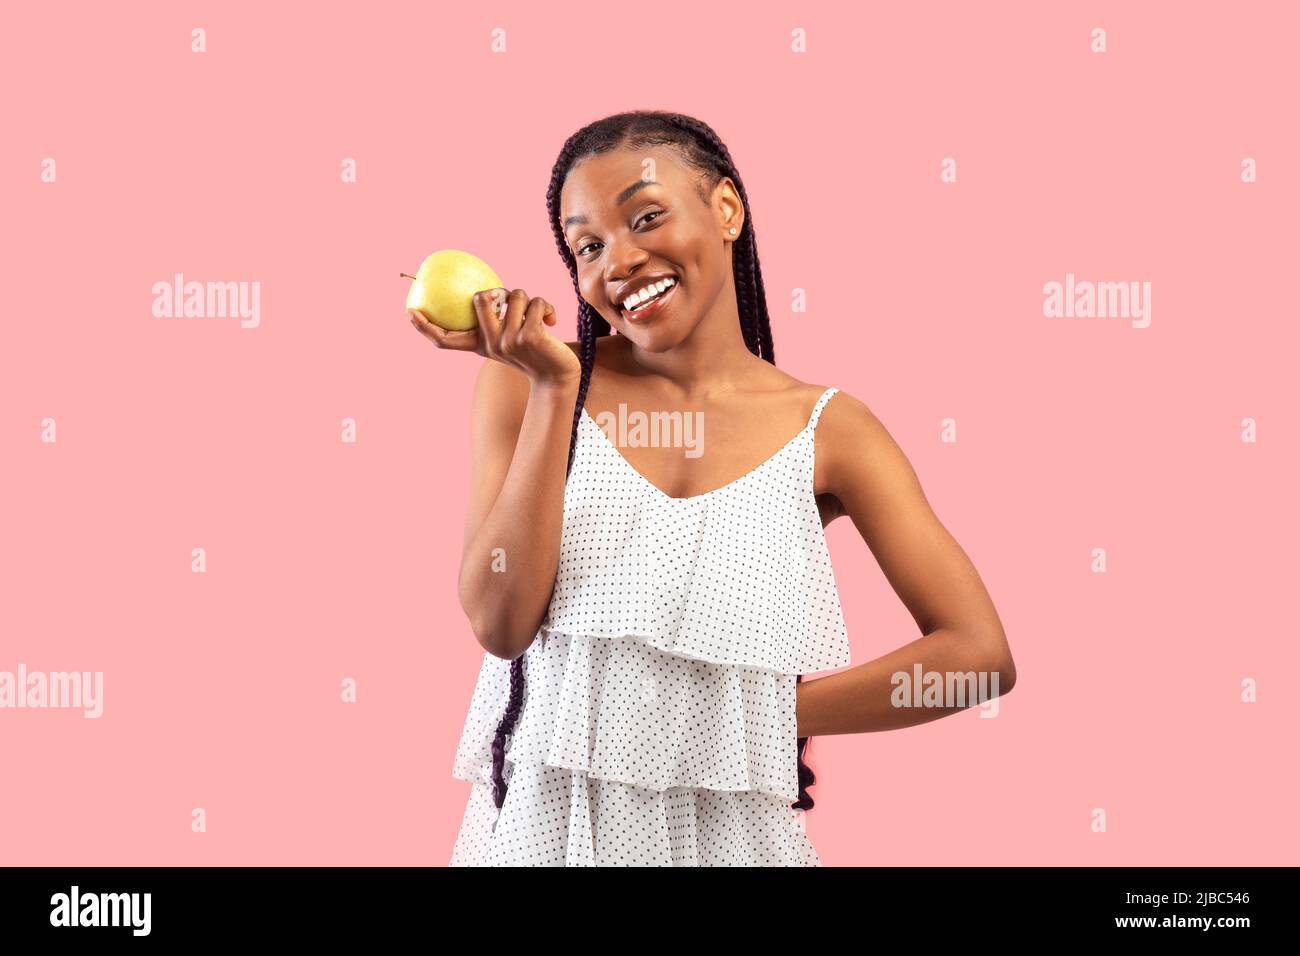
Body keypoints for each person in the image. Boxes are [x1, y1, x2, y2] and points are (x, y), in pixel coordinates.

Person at [409, 110, 1016, 866]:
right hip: (545, 841)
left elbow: (978, 656)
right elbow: (500, 624)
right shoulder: (528, 387)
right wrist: (555, 387)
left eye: (647, 216)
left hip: (735, 841)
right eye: (588, 246)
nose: (618, 261)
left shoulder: (830, 429)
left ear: (725, 208)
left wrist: (759, 718)